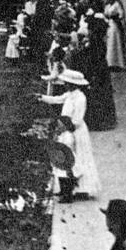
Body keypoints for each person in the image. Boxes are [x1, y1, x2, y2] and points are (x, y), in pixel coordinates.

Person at [37, 70, 100, 198]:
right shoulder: (69, 94)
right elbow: (57, 100)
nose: (65, 85)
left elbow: (77, 119)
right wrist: (41, 97)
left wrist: (64, 127)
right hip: (65, 127)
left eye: (67, 83)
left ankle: (77, 189)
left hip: (75, 131)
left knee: (75, 160)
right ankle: (66, 189)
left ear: (74, 84)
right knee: (65, 158)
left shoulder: (80, 98)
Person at [104, 0, 126, 70]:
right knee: (109, 42)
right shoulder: (107, 6)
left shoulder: (117, 4)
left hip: (115, 24)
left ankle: (117, 63)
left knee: (115, 41)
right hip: (108, 23)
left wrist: (116, 18)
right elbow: (105, 14)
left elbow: (121, 14)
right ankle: (110, 62)